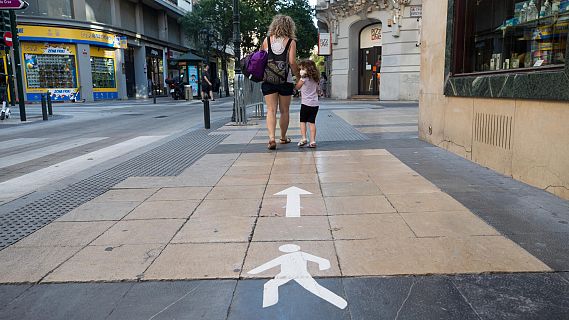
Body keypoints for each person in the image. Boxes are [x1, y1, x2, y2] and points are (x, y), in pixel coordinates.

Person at [261, 15, 300, 150]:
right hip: (285, 80)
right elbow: (292, 62)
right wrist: (298, 77)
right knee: (284, 111)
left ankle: (271, 138)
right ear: (289, 27)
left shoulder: (266, 41)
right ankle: (283, 137)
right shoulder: (291, 42)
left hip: (268, 80)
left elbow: (261, 58)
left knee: (271, 110)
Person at [296, 60, 321, 148]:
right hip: (315, 104)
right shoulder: (316, 79)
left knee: (302, 121)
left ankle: (303, 138)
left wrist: (299, 79)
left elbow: (297, 86)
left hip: (305, 104)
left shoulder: (304, 78)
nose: (301, 70)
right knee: (312, 122)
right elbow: (318, 91)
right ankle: (313, 141)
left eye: (302, 68)